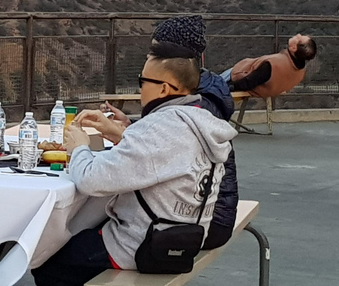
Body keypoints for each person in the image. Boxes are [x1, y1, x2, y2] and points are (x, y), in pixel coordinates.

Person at [32, 42, 237, 286]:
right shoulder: (200, 122)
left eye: (142, 81)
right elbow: (163, 157)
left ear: (163, 88)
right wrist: (118, 133)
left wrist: (79, 147)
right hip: (185, 238)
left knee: (48, 261)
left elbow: (90, 180)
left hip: (142, 245)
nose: (140, 89)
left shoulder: (159, 127)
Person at [90, 15, 239, 250]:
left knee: (98, 220)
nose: (150, 58)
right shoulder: (196, 92)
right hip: (204, 214)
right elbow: (171, 146)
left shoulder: (201, 103)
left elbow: (167, 149)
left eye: (157, 52)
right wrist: (129, 126)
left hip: (201, 222)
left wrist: (96, 144)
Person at [221, 34, 317, 98]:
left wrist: (228, 87)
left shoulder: (273, 65)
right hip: (265, 90)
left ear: (294, 48)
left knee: (213, 82)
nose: (298, 35)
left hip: (237, 76)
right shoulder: (300, 73)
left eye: (299, 38)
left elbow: (249, 82)